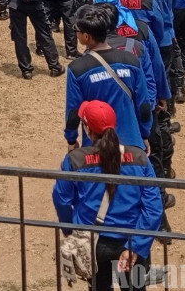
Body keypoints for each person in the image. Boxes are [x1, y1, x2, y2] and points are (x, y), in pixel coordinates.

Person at [53, 100, 163, 291]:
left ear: (88, 130)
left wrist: (71, 230)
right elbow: (154, 207)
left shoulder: (75, 160)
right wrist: (136, 246)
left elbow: (61, 198)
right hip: (131, 239)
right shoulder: (139, 158)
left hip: (94, 241)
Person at [64, 5, 153, 149]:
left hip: (95, 147)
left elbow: (73, 111)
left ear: (86, 36)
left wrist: (71, 140)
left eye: (76, 30)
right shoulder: (132, 61)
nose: (75, 33)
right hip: (131, 143)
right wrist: (144, 134)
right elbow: (144, 106)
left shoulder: (77, 69)